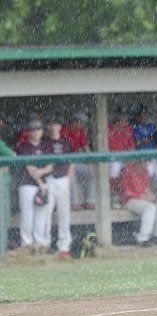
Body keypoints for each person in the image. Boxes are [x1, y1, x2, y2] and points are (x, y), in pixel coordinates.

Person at [15, 119, 53, 254]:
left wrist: (42, 173)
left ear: (42, 131)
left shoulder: (46, 146)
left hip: (43, 184)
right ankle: (27, 245)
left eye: (38, 129)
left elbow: (51, 165)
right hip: (27, 184)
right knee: (27, 215)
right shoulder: (23, 146)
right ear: (29, 132)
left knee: (41, 216)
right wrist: (41, 182)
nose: (35, 132)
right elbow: (29, 167)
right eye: (33, 130)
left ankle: (40, 245)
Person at [43, 117, 74, 259]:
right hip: (49, 179)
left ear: (60, 126)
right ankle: (45, 245)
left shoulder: (66, 143)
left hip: (62, 179)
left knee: (64, 214)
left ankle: (64, 247)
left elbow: (72, 161)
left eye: (57, 124)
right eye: (52, 124)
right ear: (48, 126)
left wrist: (68, 178)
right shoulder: (45, 143)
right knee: (46, 213)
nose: (54, 126)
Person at [120, 161, 157, 247]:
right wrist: (143, 197)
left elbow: (146, 189)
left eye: (146, 161)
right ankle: (143, 239)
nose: (145, 164)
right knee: (150, 208)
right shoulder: (127, 170)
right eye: (143, 161)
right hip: (130, 201)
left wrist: (152, 197)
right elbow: (126, 193)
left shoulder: (145, 172)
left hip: (143, 200)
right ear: (137, 161)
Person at [61, 110, 97, 210]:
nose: (82, 124)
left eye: (83, 122)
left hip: (76, 161)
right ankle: (74, 202)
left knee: (91, 172)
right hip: (64, 162)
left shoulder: (80, 132)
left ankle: (90, 201)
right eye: (81, 122)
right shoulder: (63, 130)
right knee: (71, 176)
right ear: (75, 121)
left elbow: (85, 147)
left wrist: (91, 161)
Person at [108, 106, 136, 206]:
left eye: (125, 116)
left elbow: (132, 147)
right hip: (111, 158)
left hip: (124, 157)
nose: (124, 118)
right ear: (117, 117)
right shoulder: (109, 129)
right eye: (122, 116)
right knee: (115, 167)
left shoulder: (128, 129)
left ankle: (125, 194)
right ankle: (113, 194)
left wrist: (130, 160)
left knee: (130, 168)